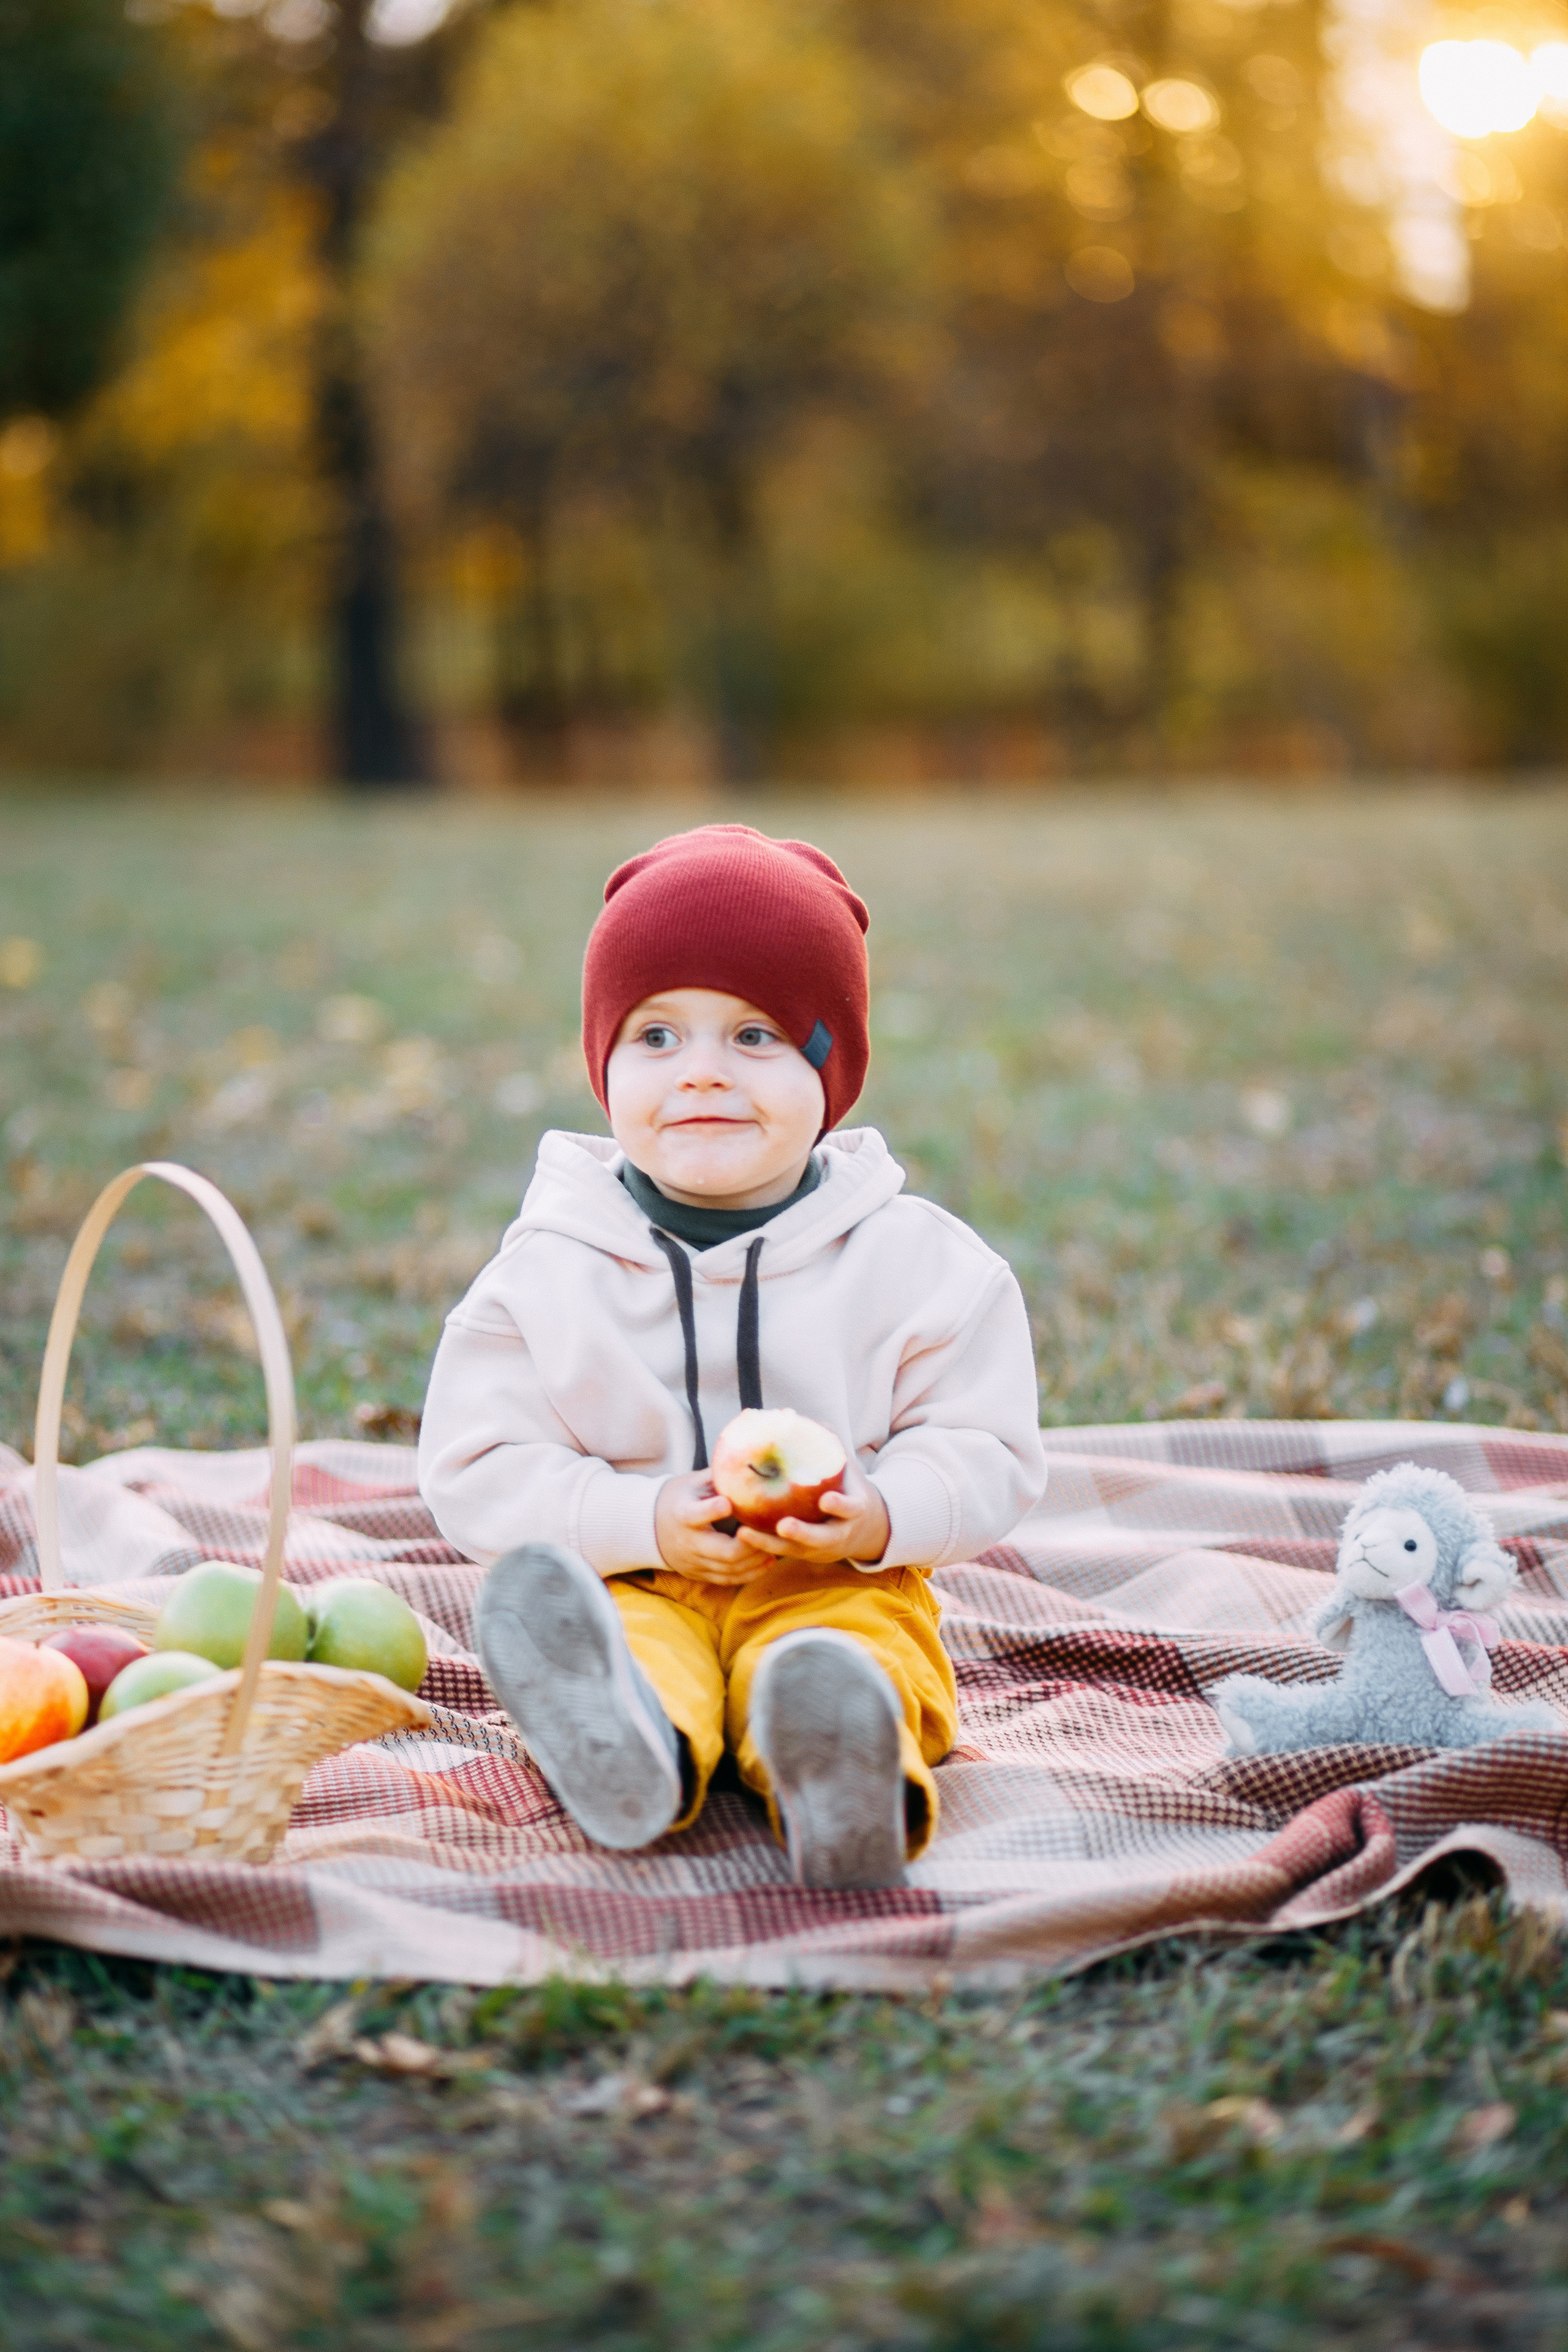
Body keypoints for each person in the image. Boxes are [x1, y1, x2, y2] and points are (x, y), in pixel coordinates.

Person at [418, 824, 1046, 1888]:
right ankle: (630, 1747)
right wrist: (638, 1517)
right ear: (603, 1066)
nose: (702, 1074)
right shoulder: (547, 1272)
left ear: (831, 1071)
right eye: (657, 1038)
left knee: (862, 1648)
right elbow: (475, 1466)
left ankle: (842, 1761)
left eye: (754, 1038)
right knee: (629, 1650)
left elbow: (987, 1443)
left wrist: (882, 1513)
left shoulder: (916, 1263)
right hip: (633, 1576)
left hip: (834, 1573)